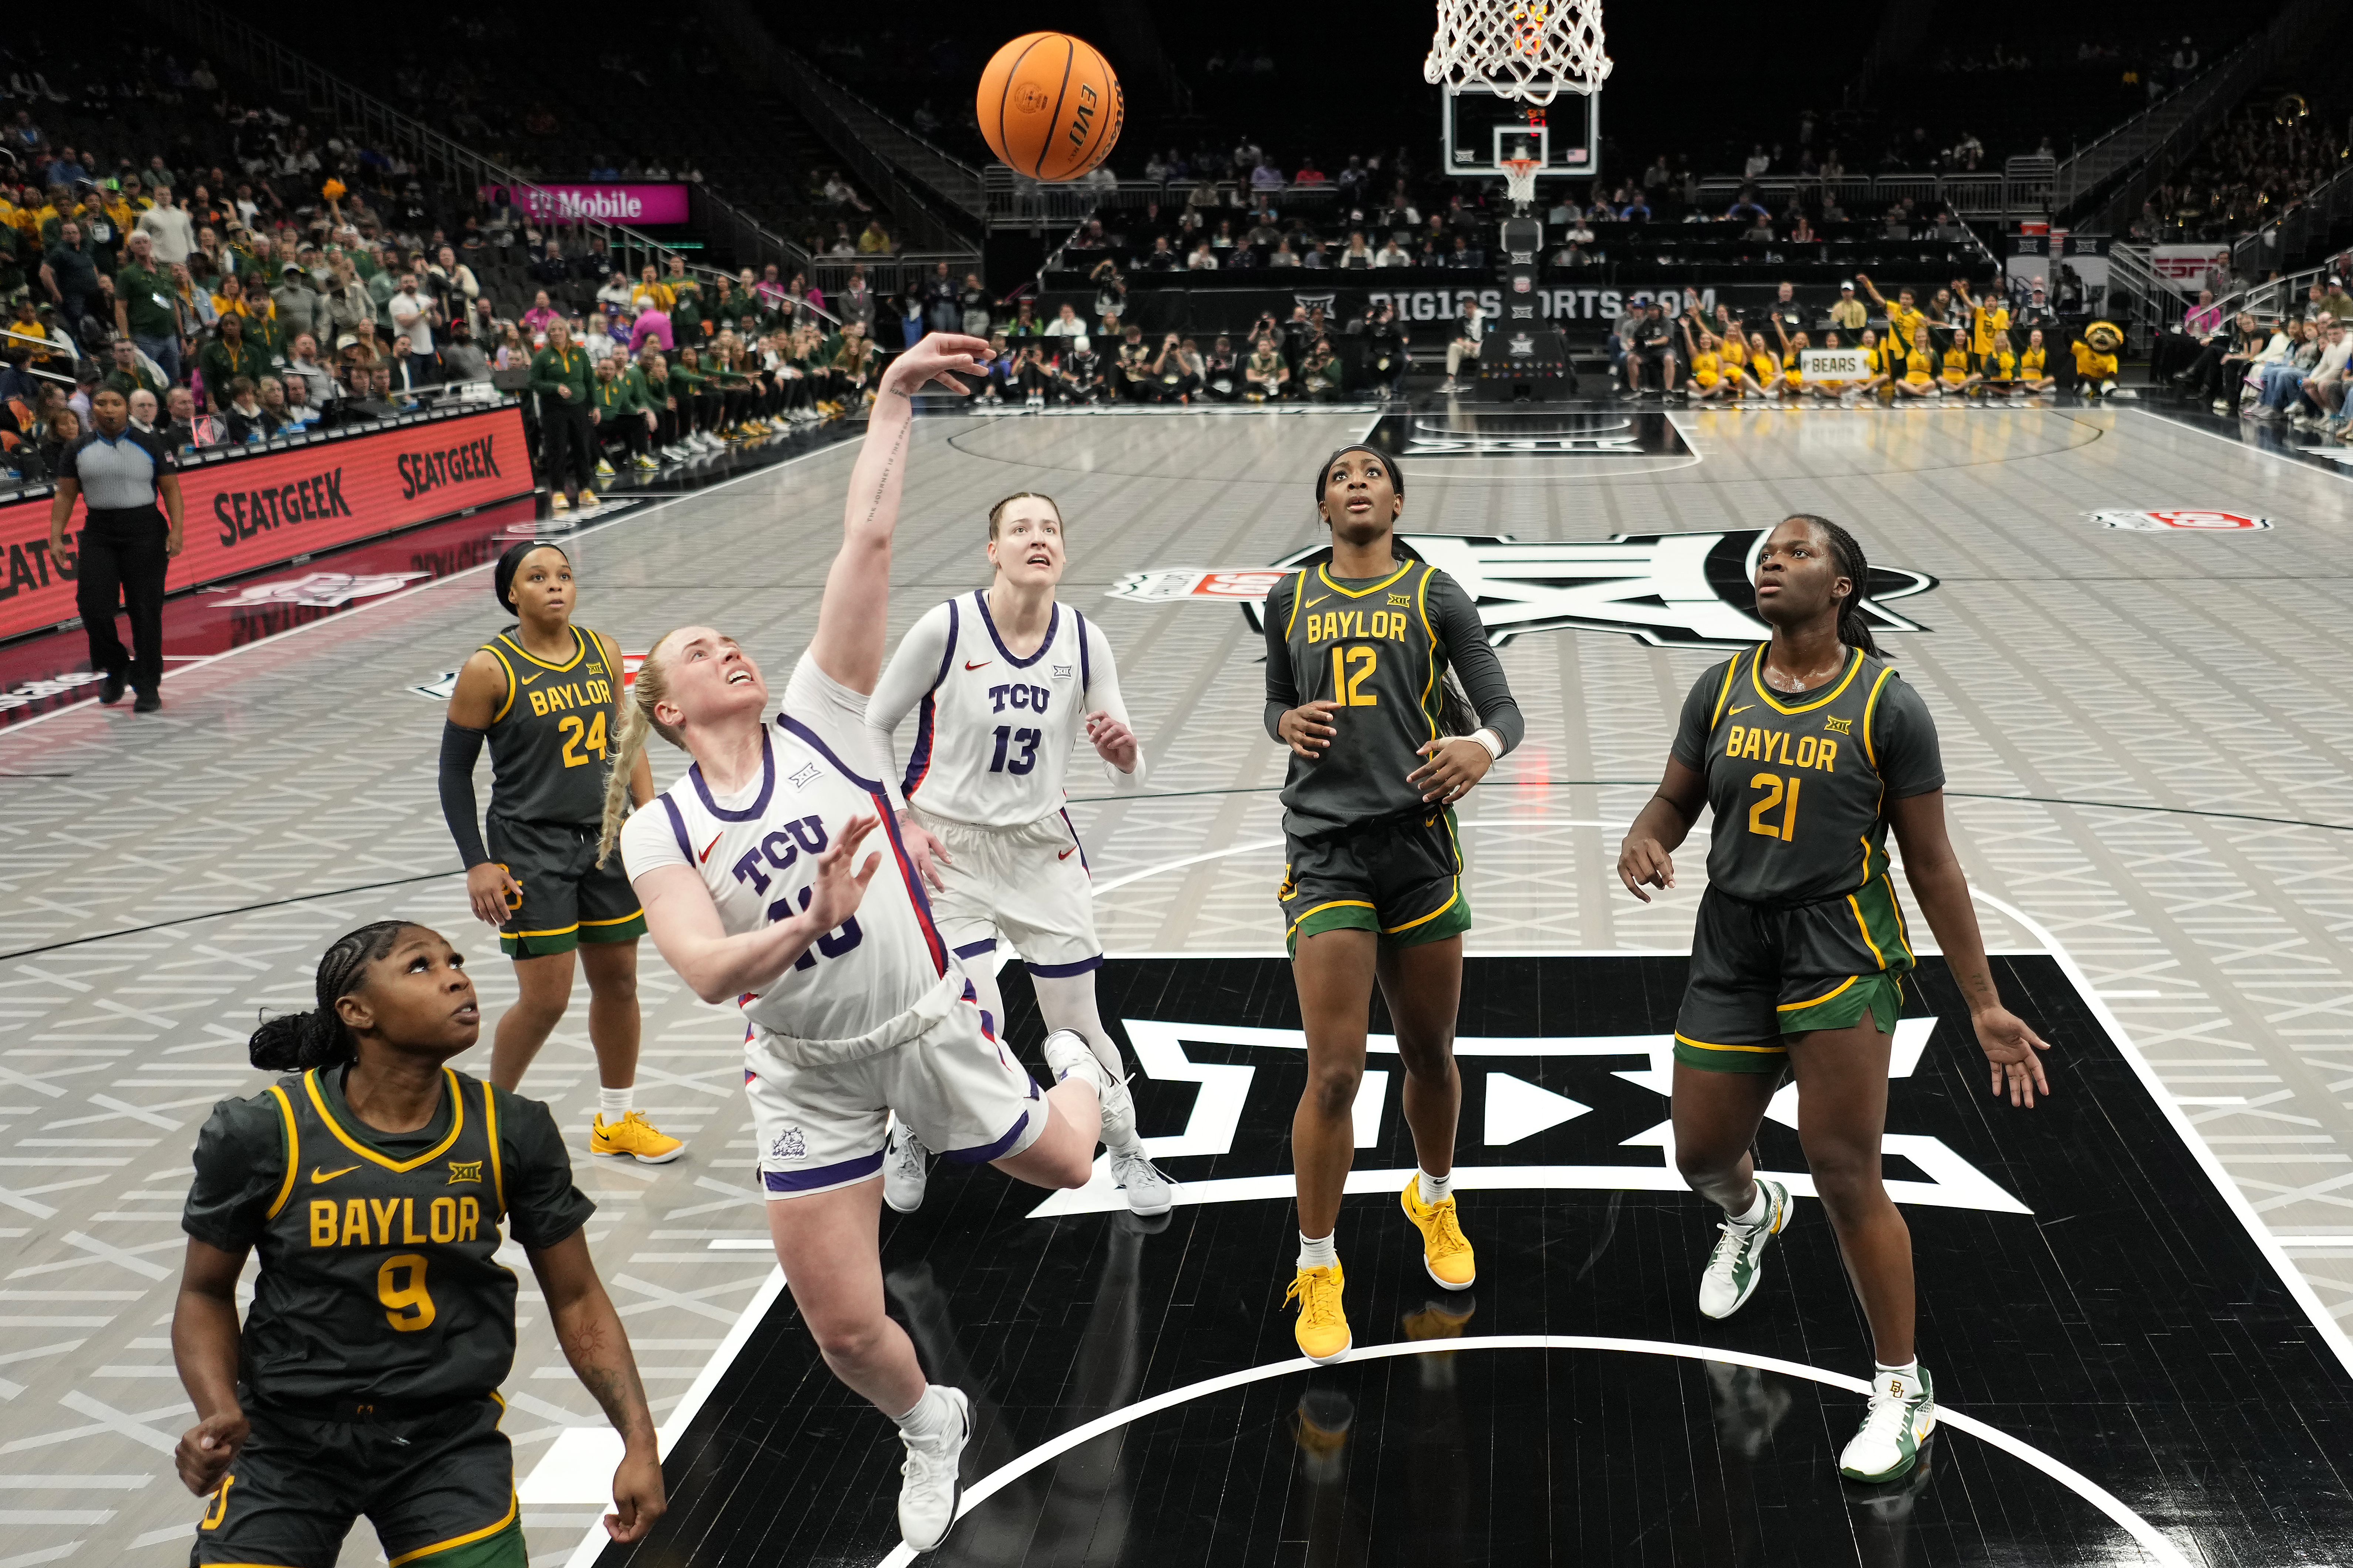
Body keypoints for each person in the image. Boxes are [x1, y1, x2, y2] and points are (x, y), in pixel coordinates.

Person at [606, 334, 1123, 1554]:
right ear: (670, 711)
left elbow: (867, 544)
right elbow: (698, 967)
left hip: (927, 1020)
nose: (727, 646)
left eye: (729, 636)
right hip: (810, 1068)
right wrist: (806, 921)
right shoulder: (660, 827)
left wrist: (889, 400)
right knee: (842, 1326)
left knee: (1066, 1163)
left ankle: (1087, 1058)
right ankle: (927, 1415)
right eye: (695, 651)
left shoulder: (826, 716)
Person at [1616, 512, 2052, 1483]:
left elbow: (1932, 863)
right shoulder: (1721, 684)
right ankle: (1751, 1209)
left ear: (1845, 586)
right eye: (1766, 554)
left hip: (1840, 953)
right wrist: (1648, 836)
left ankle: (1902, 1386)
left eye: (1797, 552)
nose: (1771, 563)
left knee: (1847, 1167)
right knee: (1695, 1150)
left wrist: (1980, 998)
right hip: (1733, 946)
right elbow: (1674, 799)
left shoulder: (1887, 705)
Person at [172, 921, 664, 1568]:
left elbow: (576, 1295)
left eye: (456, 960)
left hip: (445, 1439)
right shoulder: (264, 1130)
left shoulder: (511, 1127)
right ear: (357, 1011)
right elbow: (204, 1291)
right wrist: (217, 1411)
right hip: (288, 1439)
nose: (457, 975)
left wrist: (638, 1439)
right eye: (420, 966)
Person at [1260, 447, 1525, 1365]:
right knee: (1334, 1070)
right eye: (1338, 475)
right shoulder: (1289, 597)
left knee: (1429, 1053)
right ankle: (1320, 1262)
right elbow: (1276, 705)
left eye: (1372, 473)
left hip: (1418, 851)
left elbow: (1501, 706)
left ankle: (1434, 1195)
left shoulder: (1435, 594)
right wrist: (1284, 724)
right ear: (1323, 503)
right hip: (1327, 852)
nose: (1356, 482)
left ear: (1398, 500)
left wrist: (1482, 747)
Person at [862, 491, 1174, 1218]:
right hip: (948, 847)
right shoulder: (947, 627)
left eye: (1051, 529)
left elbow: (1130, 769)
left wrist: (1126, 754)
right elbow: (874, 724)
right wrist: (901, 821)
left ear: (1063, 551)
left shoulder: (1085, 639)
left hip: (1040, 849)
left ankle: (1127, 1149)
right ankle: (908, 1130)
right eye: (1020, 528)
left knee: (1078, 1024)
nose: (1039, 538)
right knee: (974, 1015)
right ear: (993, 550)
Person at [440, 543, 681, 1159]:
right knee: (546, 998)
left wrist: (649, 815)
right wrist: (477, 861)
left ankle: (616, 1120)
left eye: (565, 575)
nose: (556, 586)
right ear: (512, 593)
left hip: (604, 840)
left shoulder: (601, 649)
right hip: (530, 848)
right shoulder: (489, 669)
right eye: (538, 577)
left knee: (621, 982)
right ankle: (482, 1123)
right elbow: (453, 775)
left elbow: (629, 735)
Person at [46, 386, 181, 712]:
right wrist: (55, 536)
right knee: (93, 607)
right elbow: (65, 495)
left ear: (126, 409)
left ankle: (148, 684)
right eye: (102, 404)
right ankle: (117, 665)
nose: (109, 410)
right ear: (91, 411)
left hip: (146, 529)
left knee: (145, 611)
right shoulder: (77, 449)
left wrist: (177, 529)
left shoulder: (149, 442)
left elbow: (171, 488)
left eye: (116, 404)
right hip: (100, 532)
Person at [532, 319, 599, 514]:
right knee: (557, 450)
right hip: (554, 410)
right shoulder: (543, 356)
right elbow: (533, 382)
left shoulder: (579, 352)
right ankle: (559, 492)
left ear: (567, 332)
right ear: (548, 334)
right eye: (553, 330)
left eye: (560, 329)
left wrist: (594, 406)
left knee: (582, 447)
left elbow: (589, 380)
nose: (557, 333)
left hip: (579, 406)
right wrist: (555, 388)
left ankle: (585, 489)